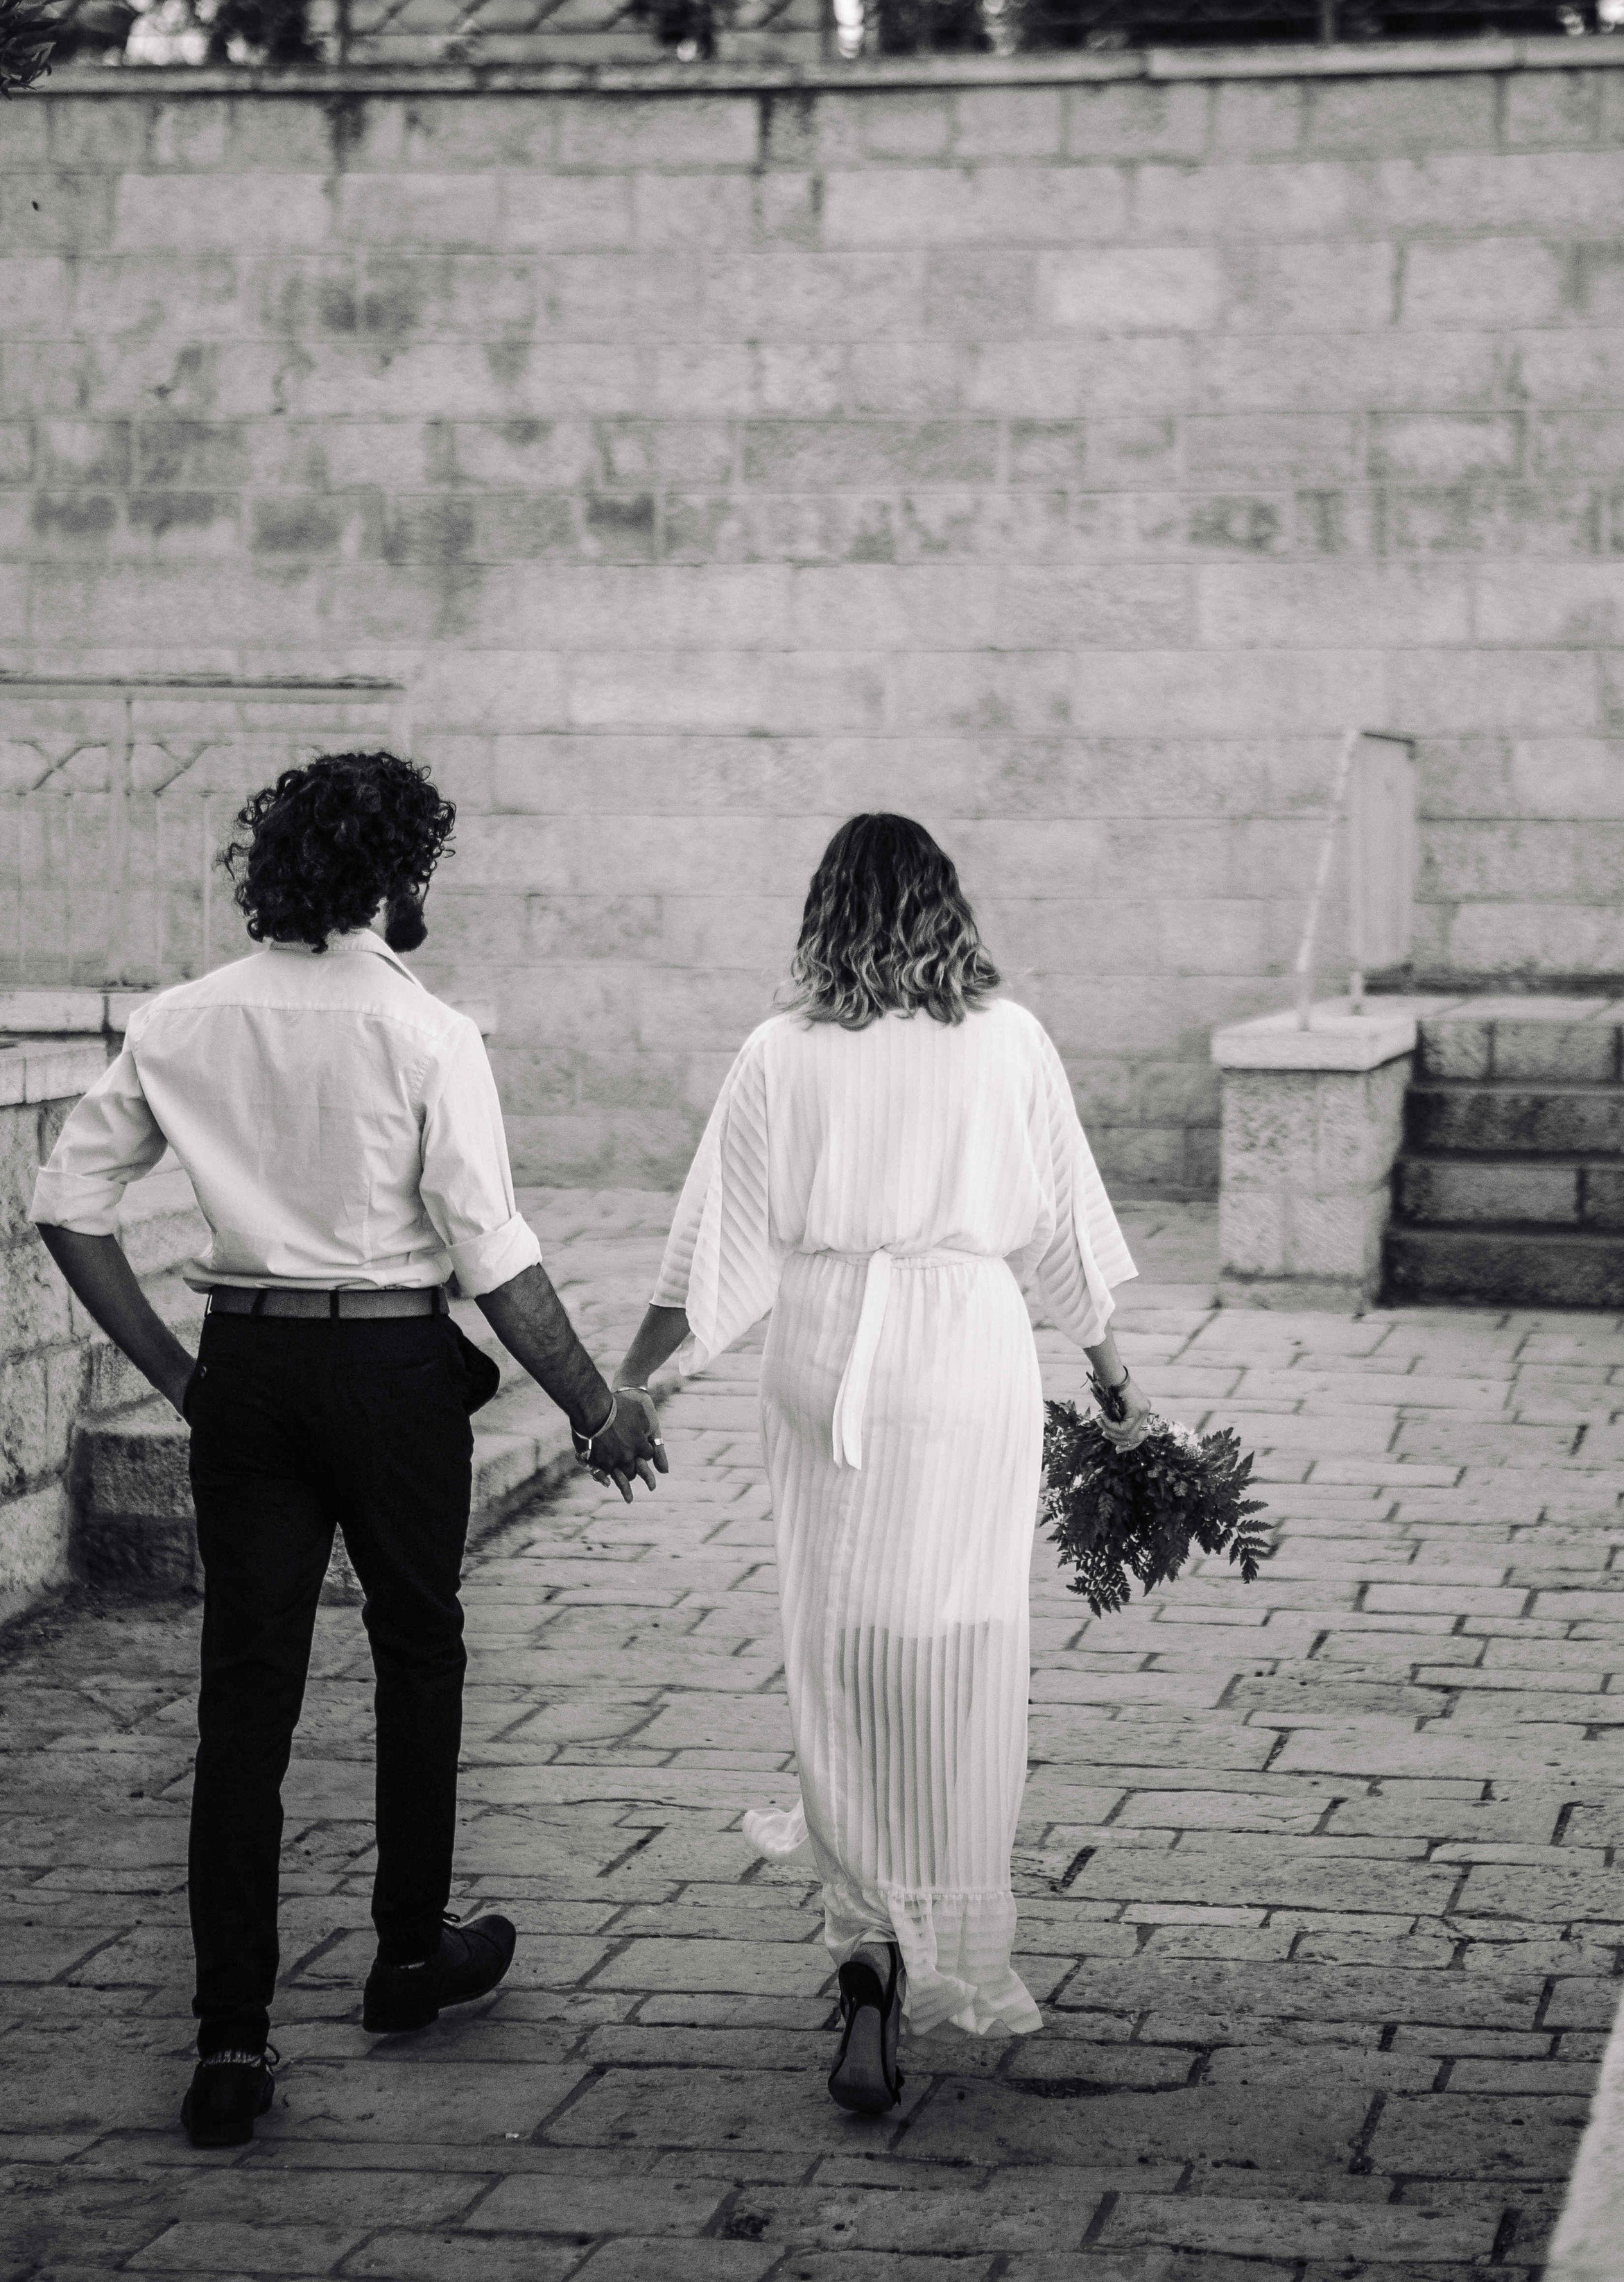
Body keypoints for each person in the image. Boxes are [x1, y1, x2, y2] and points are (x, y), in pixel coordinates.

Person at [31, 750, 666, 2150]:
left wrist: (180, 1375)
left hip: (248, 1368)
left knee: (245, 1698)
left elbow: (68, 1206)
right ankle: (403, 1953)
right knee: (418, 1643)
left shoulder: (186, 1017)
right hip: (387, 1367)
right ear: (391, 873)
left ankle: (232, 2042)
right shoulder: (423, 1030)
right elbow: (494, 1256)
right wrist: (595, 1408)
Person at [612, 811, 1152, 2113]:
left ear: (825, 913)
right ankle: (949, 1922)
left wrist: (622, 1386)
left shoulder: (778, 1053)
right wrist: (1123, 1389)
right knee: (961, 1646)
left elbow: (709, 1258)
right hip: (969, 1360)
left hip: (827, 1353)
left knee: (839, 1645)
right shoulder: (1010, 1041)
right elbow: (1070, 1242)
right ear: (946, 911)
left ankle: (864, 1957)